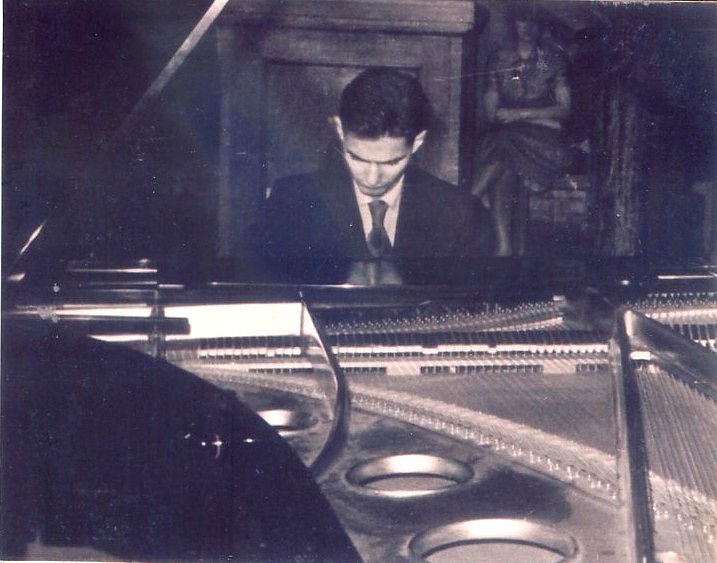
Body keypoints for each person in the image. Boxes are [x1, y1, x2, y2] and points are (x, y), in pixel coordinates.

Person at [260, 67, 491, 282]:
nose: (372, 178)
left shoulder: (459, 213)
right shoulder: (291, 202)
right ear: (340, 130)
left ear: (418, 142)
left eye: (391, 162)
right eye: (357, 158)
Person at [472, 8, 573, 256]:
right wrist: (544, 118)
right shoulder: (498, 59)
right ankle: (504, 248)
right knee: (505, 163)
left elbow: (564, 110)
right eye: (522, 20)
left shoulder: (553, 59)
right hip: (509, 140)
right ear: (512, 23)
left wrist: (520, 115)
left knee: (501, 143)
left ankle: (466, 203)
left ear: (541, 25)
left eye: (533, 21)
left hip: (545, 146)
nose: (527, 28)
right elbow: (492, 113)